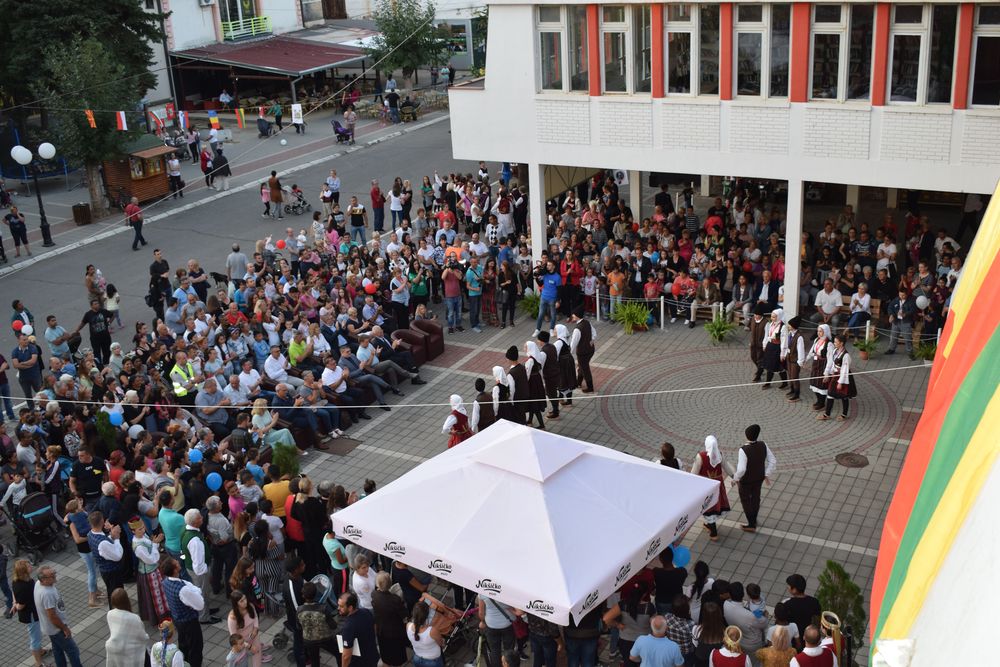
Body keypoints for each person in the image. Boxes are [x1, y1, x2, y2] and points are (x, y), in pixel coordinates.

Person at [161, 557, 206, 667]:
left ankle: (183, 663)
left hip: (177, 619)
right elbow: (200, 605)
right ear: (175, 569)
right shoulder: (183, 590)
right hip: (189, 622)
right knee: (196, 647)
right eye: (175, 562)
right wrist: (197, 591)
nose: (177, 561)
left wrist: (194, 590)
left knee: (183, 644)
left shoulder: (165, 581)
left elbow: (188, 586)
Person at [34, 566, 83, 667]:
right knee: (73, 650)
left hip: (50, 628)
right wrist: (64, 628)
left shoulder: (38, 584)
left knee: (57, 649)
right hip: (57, 629)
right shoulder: (47, 594)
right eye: (52, 575)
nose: (55, 576)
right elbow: (52, 616)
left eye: (54, 573)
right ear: (44, 579)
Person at [732, 424, 776, 533]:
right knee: (756, 498)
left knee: (746, 500)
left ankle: (751, 524)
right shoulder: (763, 445)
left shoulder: (743, 450)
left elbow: (742, 469)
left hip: (746, 481)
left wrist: (735, 478)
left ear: (746, 435)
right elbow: (773, 461)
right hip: (759, 478)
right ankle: (754, 519)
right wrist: (766, 473)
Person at [691, 436, 732, 541]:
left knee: (708, 506)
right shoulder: (720, 455)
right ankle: (709, 526)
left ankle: (713, 533)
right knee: (715, 505)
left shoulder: (701, 456)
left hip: (706, 485)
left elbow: (694, 473)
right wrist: (734, 476)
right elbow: (727, 467)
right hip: (718, 485)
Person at [129, 516, 170, 624]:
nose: (143, 530)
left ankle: (166, 612)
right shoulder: (138, 547)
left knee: (161, 592)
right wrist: (156, 544)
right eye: (139, 529)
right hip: (149, 573)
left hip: (154, 570)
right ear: (133, 531)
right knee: (156, 595)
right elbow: (151, 559)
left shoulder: (143, 537)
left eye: (143, 527)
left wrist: (154, 543)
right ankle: (160, 616)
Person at [11, 559, 46, 667]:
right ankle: (38, 663)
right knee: (35, 638)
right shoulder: (23, 587)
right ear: (24, 571)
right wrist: (16, 605)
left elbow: (13, 592)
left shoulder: (20, 580)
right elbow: (21, 606)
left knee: (36, 635)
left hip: (33, 611)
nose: (31, 566)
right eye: (28, 566)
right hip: (31, 614)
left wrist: (14, 602)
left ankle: (40, 651)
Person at [298, 581, 339, 666]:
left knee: (314, 660)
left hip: (309, 640)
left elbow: (299, 626)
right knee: (338, 653)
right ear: (316, 594)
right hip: (325, 638)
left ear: (303, 596)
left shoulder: (299, 610)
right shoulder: (323, 609)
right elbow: (333, 626)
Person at [88, 510, 125, 605]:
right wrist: (116, 538)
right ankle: (118, 612)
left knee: (112, 592)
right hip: (112, 572)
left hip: (105, 571)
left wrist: (110, 536)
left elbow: (105, 547)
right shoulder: (102, 542)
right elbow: (117, 556)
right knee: (116, 594)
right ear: (102, 522)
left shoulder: (91, 534)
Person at [371, 572, 408, 667]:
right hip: (395, 632)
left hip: (382, 631)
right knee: (397, 658)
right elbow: (404, 614)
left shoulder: (374, 595)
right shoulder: (395, 599)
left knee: (386, 656)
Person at [105, 587, 149, 667]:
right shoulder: (134, 618)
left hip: (114, 648)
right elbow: (143, 637)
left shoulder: (110, 614)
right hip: (132, 652)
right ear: (126, 600)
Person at [820, 334, 856, 421]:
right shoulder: (835, 351)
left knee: (844, 395)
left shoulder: (846, 356)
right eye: (834, 341)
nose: (834, 343)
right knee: (830, 393)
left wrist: (840, 382)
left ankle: (844, 414)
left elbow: (844, 370)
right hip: (835, 375)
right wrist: (827, 374)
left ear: (841, 343)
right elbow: (830, 363)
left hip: (843, 377)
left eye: (836, 342)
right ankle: (827, 414)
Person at [228, 589, 269, 667]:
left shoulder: (250, 606)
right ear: (236, 604)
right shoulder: (232, 618)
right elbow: (234, 637)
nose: (245, 602)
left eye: (245, 598)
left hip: (253, 635)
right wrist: (249, 646)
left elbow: (255, 617)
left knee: (257, 653)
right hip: (241, 642)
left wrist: (255, 629)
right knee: (243, 662)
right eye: (241, 601)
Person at [339, 591, 380, 667]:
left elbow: (346, 656)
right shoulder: (366, 612)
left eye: (341, 606)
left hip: (359, 663)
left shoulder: (348, 627)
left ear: (350, 608)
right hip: (372, 657)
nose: (338, 608)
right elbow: (374, 628)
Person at [782, 575, 821, 644]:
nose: (787, 588)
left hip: (793, 639)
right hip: (810, 637)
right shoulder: (814, 601)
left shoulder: (787, 604)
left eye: (788, 586)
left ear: (794, 589)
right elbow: (817, 620)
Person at [407, 600, 445, 667]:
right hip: (433, 662)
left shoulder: (408, 626)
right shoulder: (432, 631)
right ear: (427, 615)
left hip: (417, 658)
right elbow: (441, 643)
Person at [781, 316, 806, 402]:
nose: (788, 326)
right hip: (789, 358)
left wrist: (800, 362)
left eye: (789, 325)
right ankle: (792, 390)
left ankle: (797, 394)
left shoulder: (799, 337)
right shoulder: (790, 334)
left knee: (795, 377)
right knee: (790, 375)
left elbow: (801, 351)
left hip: (795, 361)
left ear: (793, 326)